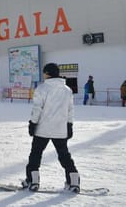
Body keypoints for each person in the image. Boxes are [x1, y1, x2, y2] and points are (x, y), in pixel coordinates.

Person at [23, 62, 80, 193]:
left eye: (44, 72)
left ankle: (33, 181)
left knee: (36, 155)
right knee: (64, 156)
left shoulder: (42, 89)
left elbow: (37, 108)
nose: (43, 74)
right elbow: (70, 110)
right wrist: (69, 125)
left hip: (42, 129)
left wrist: (32, 123)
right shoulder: (67, 90)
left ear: (48, 73)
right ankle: (74, 181)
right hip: (60, 129)